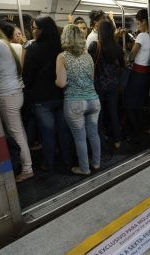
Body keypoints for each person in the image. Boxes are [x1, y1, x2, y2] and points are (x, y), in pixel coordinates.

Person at [0, 15, 34, 182]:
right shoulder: (8, 46)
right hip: (15, 93)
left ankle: (27, 168)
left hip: (7, 96)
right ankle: (27, 165)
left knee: (16, 135)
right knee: (20, 133)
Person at [22, 16, 73, 171]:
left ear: (42, 30)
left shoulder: (32, 49)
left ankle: (49, 164)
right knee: (64, 131)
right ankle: (67, 160)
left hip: (41, 99)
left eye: (35, 28)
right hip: (61, 95)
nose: (33, 31)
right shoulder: (62, 48)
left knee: (47, 133)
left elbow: (27, 78)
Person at [56, 24, 101, 175]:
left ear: (65, 37)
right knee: (94, 134)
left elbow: (61, 83)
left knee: (80, 138)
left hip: (74, 103)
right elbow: (91, 79)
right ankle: (96, 163)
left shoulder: (62, 57)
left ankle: (84, 168)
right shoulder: (88, 56)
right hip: (93, 100)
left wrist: (60, 81)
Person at [88, 20, 124, 149]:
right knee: (113, 112)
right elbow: (123, 66)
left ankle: (100, 141)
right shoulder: (118, 48)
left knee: (99, 114)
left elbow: (89, 66)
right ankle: (117, 140)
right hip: (113, 85)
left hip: (98, 86)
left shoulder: (94, 46)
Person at [124, 9, 150, 143]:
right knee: (139, 104)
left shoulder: (141, 36)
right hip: (146, 74)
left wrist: (127, 55)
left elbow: (132, 55)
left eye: (138, 23)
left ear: (144, 22)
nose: (137, 26)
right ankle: (139, 129)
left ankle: (135, 132)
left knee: (129, 104)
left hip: (137, 75)